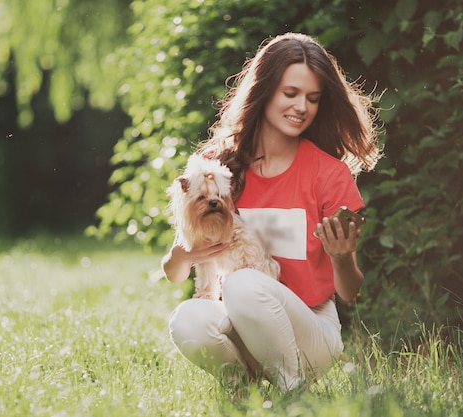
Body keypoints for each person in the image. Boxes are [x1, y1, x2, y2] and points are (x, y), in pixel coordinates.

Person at [161, 32, 381, 391]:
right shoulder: (218, 170)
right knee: (187, 319)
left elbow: (349, 291)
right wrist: (180, 255)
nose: (302, 107)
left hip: (311, 331)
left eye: (312, 98)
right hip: (238, 323)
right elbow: (174, 273)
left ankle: (291, 389)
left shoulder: (329, 174)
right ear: (264, 91)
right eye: (290, 93)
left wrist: (341, 259)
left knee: (244, 283)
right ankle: (244, 393)